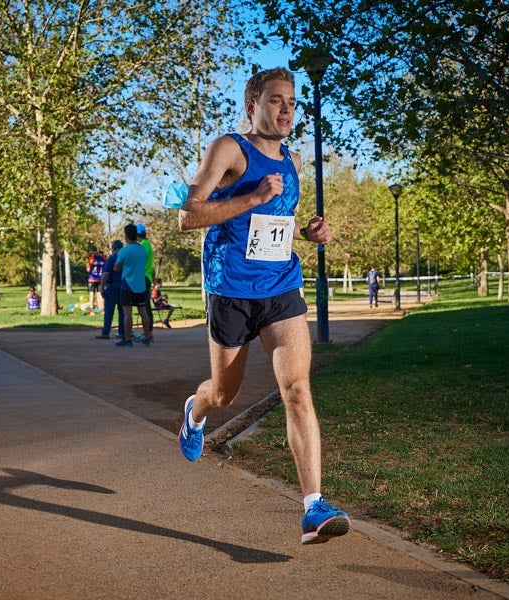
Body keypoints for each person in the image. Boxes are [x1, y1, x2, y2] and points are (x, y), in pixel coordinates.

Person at [176, 67, 350, 545]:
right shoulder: (228, 149)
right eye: (276, 100)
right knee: (224, 394)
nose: (286, 109)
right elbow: (188, 216)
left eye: (291, 101)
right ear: (252, 106)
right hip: (231, 289)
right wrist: (252, 195)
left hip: (280, 286)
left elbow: (277, 221)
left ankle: (313, 508)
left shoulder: (293, 160)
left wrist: (309, 233)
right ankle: (196, 410)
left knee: (297, 388)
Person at [113, 224, 152, 347]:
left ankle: (127, 338)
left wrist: (119, 266)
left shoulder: (124, 251)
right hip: (141, 284)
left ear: (126, 236)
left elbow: (117, 267)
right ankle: (147, 337)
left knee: (127, 313)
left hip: (127, 285)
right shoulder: (143, 250)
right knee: (143, 311)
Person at [95, 239, 125, 340]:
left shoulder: (112, 259)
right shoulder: (125, 259)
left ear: (114, 249)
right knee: (122, 311)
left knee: (109, 310)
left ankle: (106, 332)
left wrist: (102, 288)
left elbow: (105, 275)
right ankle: (122, 332)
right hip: (124, 286)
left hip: (112, 286)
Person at [136, 224, 154, 342]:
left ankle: (148, 333)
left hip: (144, 277)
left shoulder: (144, 245)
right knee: (143, 305)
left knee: (145, 305)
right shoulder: (145, 244)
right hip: (144, 277)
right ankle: (147, 332)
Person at [86, 245, 106, 311]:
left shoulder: (91, 258)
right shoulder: (103, 258)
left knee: (92, 294)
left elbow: (88, 269)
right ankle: (102, 309)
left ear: (92, 251)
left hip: (92, 278)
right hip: (100, 278)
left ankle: (91, 310)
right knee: (100, 294)